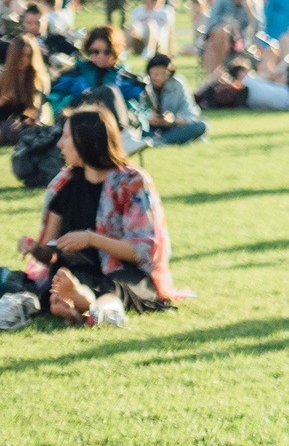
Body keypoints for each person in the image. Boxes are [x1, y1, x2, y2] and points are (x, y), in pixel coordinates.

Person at [19, 106, 177, 321]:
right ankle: (79, 305)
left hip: (124, 273)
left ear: (85, 141)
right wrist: (35, 248)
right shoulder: (64, 185)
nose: (59, 144)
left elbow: (145, 251)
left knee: (115, 287)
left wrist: (91, 239)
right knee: (60, 282)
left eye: (66, 137)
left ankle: (85, 304)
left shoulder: (132, 183)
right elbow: (51, 252)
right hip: (78, 273)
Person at [46, 25, 148, 126]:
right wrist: (79, 100)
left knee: (109, 91)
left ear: (115, 51)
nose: (101, 56)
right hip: (80, 124)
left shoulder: (126, 80)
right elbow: (56, 103)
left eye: (107, 52)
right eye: (95, 52)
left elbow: (140, 112)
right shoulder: (75, 74)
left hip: (113, 126)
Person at [137, 53, 206, 148]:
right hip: (149, 127)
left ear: (169, 73)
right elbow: (134, 112)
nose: (158, 78)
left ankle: (161, 140)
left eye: (162, 74)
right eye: (154, 74)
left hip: (173, 127)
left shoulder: (178, 85)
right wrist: (147, 119)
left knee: (201, 125)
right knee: (134, 131)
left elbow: (191, 113)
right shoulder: (141, 83)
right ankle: (167, 140)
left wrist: (173, 120)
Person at [125, 0, 176, 64]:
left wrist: (171, 50)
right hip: (139, 41)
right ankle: (124, 51)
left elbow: (170, 31)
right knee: (130, 27)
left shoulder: (164, 12)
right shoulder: (138, 11)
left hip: (157, 43)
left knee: (151, 24)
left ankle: (148, 51)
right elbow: (133, 26)